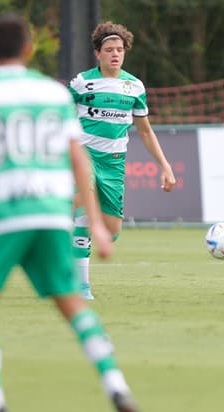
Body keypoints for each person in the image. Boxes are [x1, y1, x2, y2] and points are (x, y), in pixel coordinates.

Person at [0, 14, 140, 412]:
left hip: (7, 210)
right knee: (72, 304)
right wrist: (94, 222)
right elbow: (79, 155)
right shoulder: (51, 91)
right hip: (52, 209)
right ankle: (117, 386)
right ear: (28, 50)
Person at [68, 21, 176, 300]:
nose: (115, 54)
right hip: (83, 156)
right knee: (83, 201)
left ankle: (62, 233)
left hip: (114, 163)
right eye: (109, 49)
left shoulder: (134, 87)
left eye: (119, 50)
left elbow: (145, 131)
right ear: (97, 53)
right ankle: (81, 285)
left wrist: (165, 166)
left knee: (112, 231)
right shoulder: (82, 83)